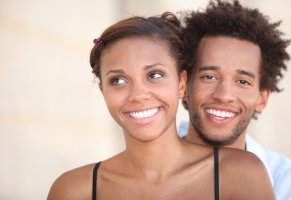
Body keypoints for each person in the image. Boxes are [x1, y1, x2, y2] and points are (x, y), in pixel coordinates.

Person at [47, 12, 275, 200]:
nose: (138, 95)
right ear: (103, 92)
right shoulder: (74, 190)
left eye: (154, 75)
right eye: (118, 80)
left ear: (182, 84)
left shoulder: (240, 174)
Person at [179, 0, 291, 199]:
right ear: (184, 86)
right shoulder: (140, 171)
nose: (224, 95)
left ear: (262, 98)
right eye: (209, 76)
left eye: (242, 81)